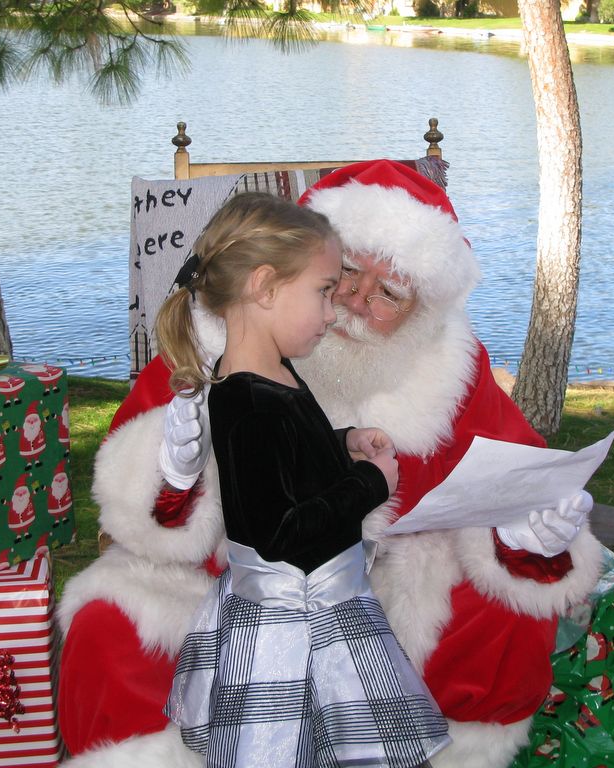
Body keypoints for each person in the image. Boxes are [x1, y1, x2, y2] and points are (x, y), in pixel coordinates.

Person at [57, 160, 603, 767]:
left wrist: (525, 536)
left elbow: (515, 477)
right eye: (341, 275)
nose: (355, 301)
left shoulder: (451, 371)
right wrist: (175, 477)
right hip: (234, 582)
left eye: (390, 294)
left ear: (422, 312)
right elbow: (146, 502)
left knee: (502, 620)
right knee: (113, 625)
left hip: (384, 587)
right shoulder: (223, 341)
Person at [157, 191, 450, 766]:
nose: (332, 309)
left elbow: (292, 461)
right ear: (265, 287)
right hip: (289, 626)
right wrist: (371, 486)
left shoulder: (273, 371)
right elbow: (281, 531)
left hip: (323, 602)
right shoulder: (249, 401)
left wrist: (343, 445)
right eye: (322, 291)